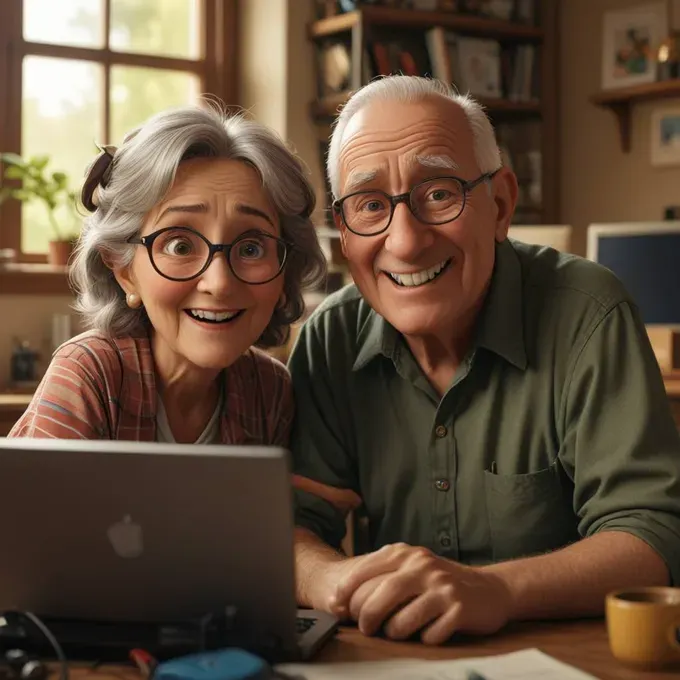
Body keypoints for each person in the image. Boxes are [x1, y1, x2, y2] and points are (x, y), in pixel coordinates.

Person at [288, 75, 680, 645]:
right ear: (344, 234)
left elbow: (652, 532)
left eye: (440, 193)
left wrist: (496, 590)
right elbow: (290, 523)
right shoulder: (330, 337)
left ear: (500, 204)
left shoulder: (589, 312)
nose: (405, 241)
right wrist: (332, 577)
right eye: (370, 205)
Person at [10, 104, 326, 443]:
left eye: (251, 248)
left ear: (285, 269)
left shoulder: (270, 392)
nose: (219, 284)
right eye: (180, 246)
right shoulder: (89, 375)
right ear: (123, 270)